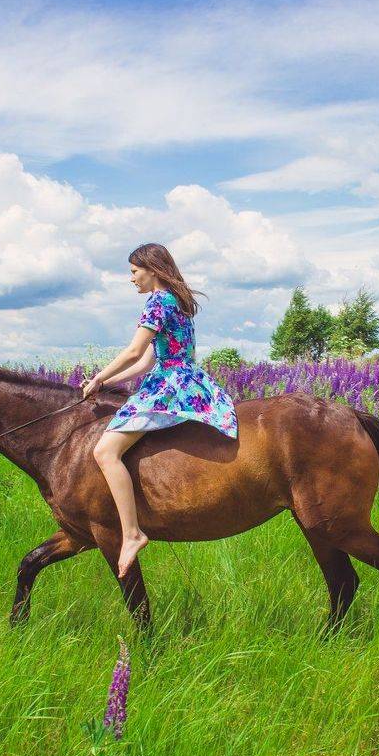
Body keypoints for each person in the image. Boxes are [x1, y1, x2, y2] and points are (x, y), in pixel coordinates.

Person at [81, 243, 239, 575]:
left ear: (151, 270)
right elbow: (146, 363)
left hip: (170, 387)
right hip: (188, 380)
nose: (131, 278)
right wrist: (106, 385)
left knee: (105, 452)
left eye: (134, 271)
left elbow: (134, 352)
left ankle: (132, 533)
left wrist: (99, 376)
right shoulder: (177, 302)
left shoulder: (157, 301)